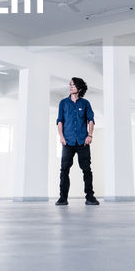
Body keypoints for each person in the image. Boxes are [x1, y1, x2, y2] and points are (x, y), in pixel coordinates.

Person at [55, 77, 98, 206]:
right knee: (64, 170)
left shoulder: (85, 103)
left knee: (86, 169)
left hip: (82, 141)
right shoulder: (63, 103)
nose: (70, 86)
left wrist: (90, 135)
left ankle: (90, 197)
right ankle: (63, 198)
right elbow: (60, 121)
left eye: (73, 85)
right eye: (70, 85)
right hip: (67, 142)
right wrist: (61, 137)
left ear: (79, 88)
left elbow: (90, 120)